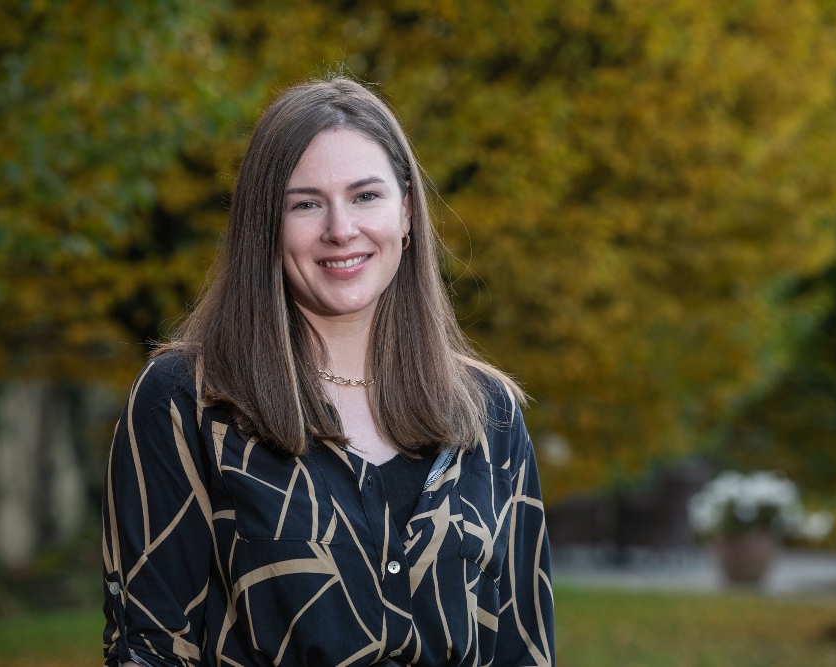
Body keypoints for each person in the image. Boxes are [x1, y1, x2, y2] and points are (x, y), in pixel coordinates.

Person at [102, 76, 554, 667]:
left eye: (366, 196)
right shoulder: (185, 402)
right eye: (306, 203)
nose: (341, 229)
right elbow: (150, 651)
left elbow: (524, 650)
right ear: (266, 227)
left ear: (408, 210)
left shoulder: (488, 414)